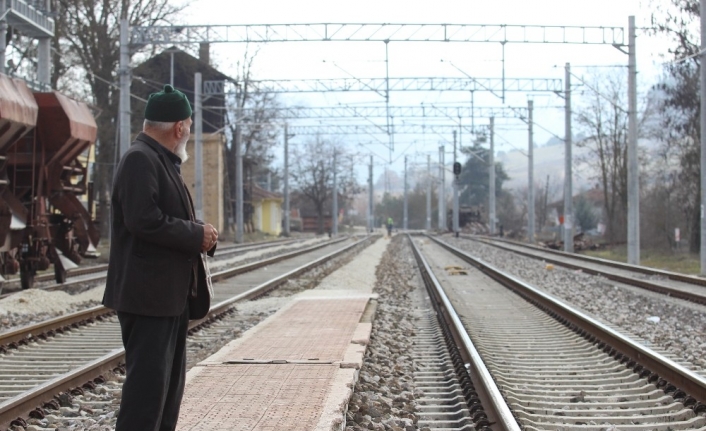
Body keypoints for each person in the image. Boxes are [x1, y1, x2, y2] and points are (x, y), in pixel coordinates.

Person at [103, 84, 218, 431]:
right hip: (147, 298)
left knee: (167, 395)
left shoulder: (161, 160)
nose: (189, 133)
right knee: (146, 396)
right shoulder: (141, 159)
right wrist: (194, 234)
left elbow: (161, 217)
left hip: (167, 298)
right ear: (179, 127)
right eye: (189, 126)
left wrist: (201, 235)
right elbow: (143, 219)